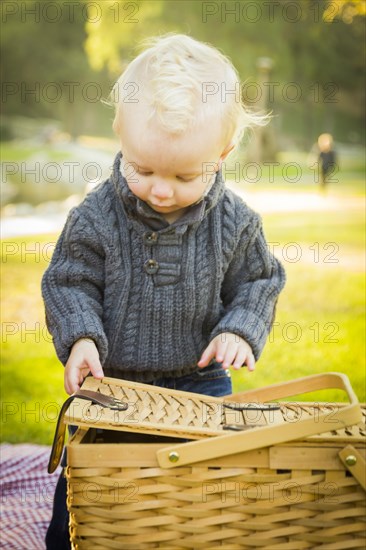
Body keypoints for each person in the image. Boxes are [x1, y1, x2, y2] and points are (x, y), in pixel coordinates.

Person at [42, 33, 286, 549]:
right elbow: (70, 280)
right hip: (114, 389)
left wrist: (241, 329)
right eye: (143, 168)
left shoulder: (236, 223)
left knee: (206, 489)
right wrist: (81, 338)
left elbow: (261, 280)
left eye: (182, 175)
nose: (159, 188)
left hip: (199, 382)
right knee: (92, 484)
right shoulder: (95, 215)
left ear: (223, 154)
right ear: (119, 135)